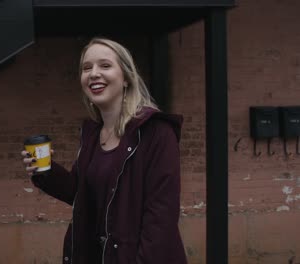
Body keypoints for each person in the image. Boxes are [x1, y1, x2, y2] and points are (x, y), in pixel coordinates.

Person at [21, 37, 187, 264]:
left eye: (105, 65)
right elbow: (80, 194)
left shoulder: (156, 132)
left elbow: (161, 219)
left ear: (126, 78)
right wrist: (46, 170)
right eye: (86, 68)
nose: (94, 73)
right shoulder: (92, 135)